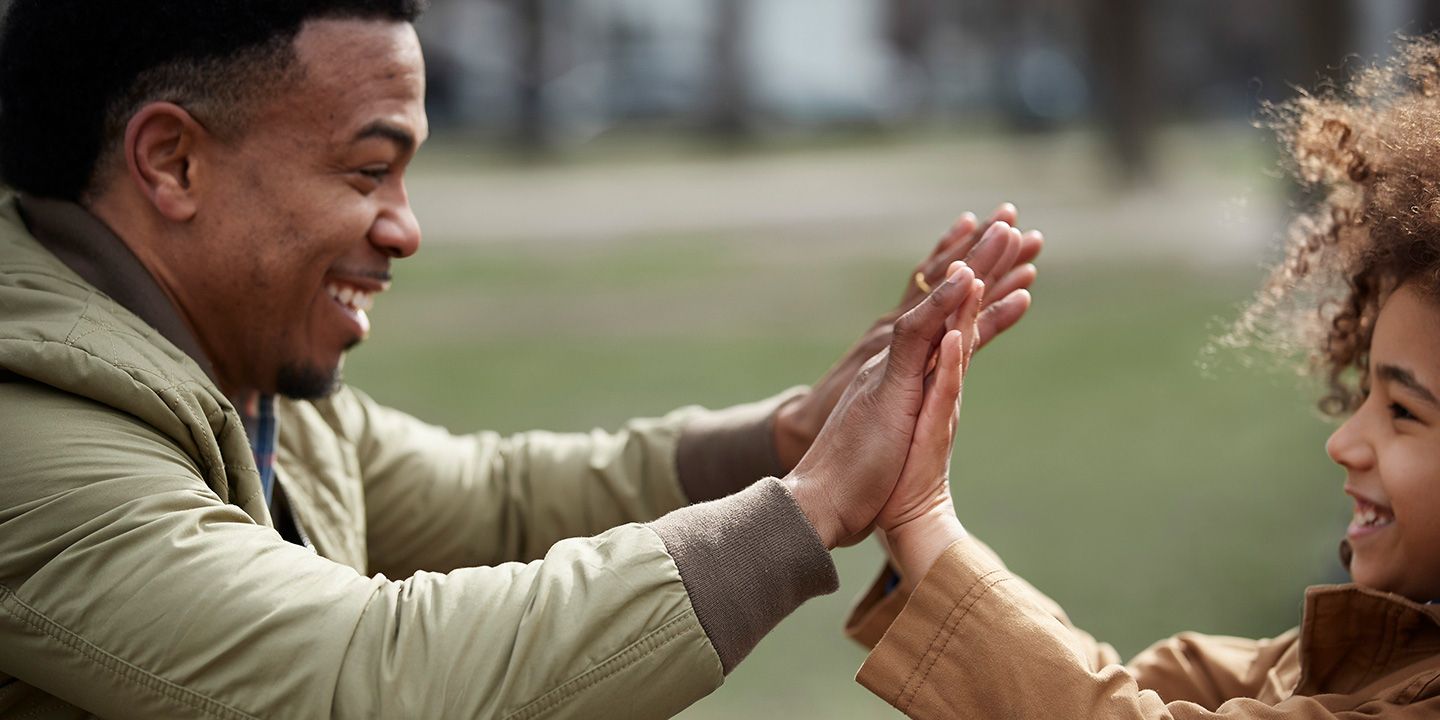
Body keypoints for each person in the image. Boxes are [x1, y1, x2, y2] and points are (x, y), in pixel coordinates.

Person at [0, 2, 1045, 718]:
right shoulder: (33, 440)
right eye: (369, 170)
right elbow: (362, 678)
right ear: (172, 162)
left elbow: (494, 502)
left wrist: (782, 443)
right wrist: (807, 510)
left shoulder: (233, 366)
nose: (404, 229)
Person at [847, 36, 1440, 719]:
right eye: (1365, 392)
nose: (1344, 442)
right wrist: (916, 539)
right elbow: (1108, 685)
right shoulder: (1381, 641)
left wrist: (925, 524)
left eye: (1403, 411)